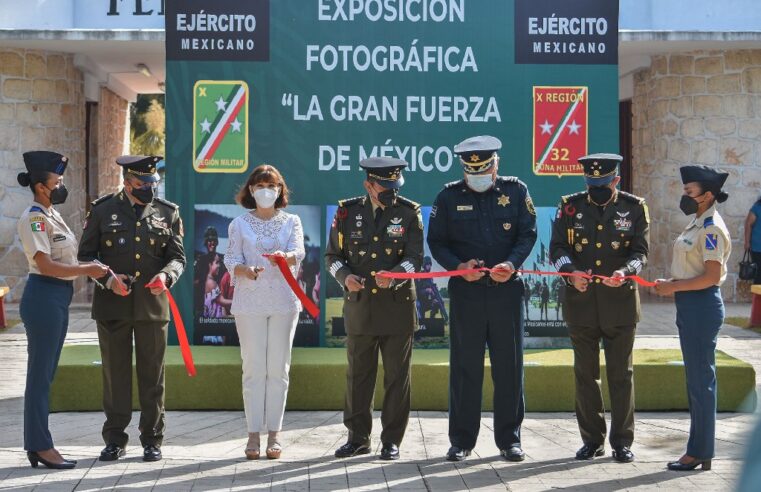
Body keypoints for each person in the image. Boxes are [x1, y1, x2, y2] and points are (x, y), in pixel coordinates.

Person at [428, 135, 537, 462]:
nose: (477, 175)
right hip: (467, 294)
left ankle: (509, 440)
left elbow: (527, 233)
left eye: (483, 168)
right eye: (470, 170)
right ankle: (462, 440)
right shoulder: (447, 197)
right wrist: (458, 267)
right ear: (463, 168)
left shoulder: (516, 191)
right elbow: (437, 242)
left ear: (494, 166)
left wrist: (511, 264)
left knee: (509, 368)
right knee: (465, 368)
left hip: (506, 293)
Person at [77, 155, 186, 463]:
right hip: (113, 306)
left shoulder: (168, 213)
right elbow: (85, 257)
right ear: (127, 183)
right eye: (142, 184)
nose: (150, 188)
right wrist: (108, 280)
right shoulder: (102, 210)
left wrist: (167, 276)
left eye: (153, 183)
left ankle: (152, 439)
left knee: (153, 376)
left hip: (152, 306)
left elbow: (178, 258)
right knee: (115, 375)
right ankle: (114, 438)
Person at [549, 153, 649, 463]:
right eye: (592, 184)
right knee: (585, 375)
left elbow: (641, 252)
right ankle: (592, 440)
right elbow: (557, 249)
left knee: (621, 375)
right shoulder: (570, 205)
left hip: (619, 304)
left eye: (603, 184)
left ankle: (622, 441)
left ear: (616, 180)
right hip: (581, 304)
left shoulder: (634, 208)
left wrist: (626, 272)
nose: (597, 190)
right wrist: (571, 272)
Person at [325, 157, 423, 461]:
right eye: (385, 185)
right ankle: (358, 439)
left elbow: (415, 259)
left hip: (397, 308)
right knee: (358, 376)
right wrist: (345, 277)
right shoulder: (346, 212)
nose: (391, 191)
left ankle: (392, 440)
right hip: (360, 307)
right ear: (369, 184)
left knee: (397, 378)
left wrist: (395, 276)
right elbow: (332, 257)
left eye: (395, 185)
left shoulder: (409, 212)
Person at [16, 151, 109, 470]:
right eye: (57, 181)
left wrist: (87, 269)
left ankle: (37, 444)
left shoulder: (52, 214)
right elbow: (47, 265)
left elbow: (63, 263)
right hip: (43, 296)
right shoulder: (34, 218)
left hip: (56, 298)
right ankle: (41, 446)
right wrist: (87, 270)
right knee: (40, 377)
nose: (61, 185)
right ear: (41, 186)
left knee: (46, 375)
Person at [223, 164, 305, 460]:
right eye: (260, 186)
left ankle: (275, 433)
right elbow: (230, 256)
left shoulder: (292, 221)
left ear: (280, 190)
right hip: (249, 302)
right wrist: (244, 269)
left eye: (272, 186)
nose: (266, 191)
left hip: (284, 301)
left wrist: (286, 257)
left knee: (278, 369)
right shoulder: (239, 224)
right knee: (254, 368)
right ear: (251, 191)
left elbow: (300, 252)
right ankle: (253, 434)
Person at [654, 165, 731, 472]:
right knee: (697, 382)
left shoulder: (711, 227)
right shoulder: (697, 223)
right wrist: (674, 283)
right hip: (691, 303)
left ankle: (699, 451)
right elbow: (692, 270)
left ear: (708, 195)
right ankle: (700, 450)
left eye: (689, 192)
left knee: (701, 383)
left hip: (701, 305)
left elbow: (711, 277)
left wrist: (674, 287)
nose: (684, 197)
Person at [743, 197, 761, 284]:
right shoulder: (757, 207)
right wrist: (747, 242)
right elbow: (748, 224)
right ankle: (757, 298)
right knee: (758, 277)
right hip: (758, 249)